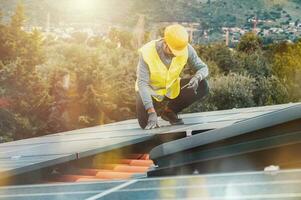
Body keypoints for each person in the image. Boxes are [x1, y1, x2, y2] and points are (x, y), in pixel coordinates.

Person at [136, 24, 209, 129]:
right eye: (172, 51)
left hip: (171, 88)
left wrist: (197, 77)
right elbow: (142, 83)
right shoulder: (147, 52)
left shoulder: (186, 48)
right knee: (146, 124)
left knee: (203, 85)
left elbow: (203, 68)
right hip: (150, 92)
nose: (175, 55)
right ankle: (151, 112)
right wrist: (151, 111)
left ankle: (169, 112)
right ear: (165, 42)